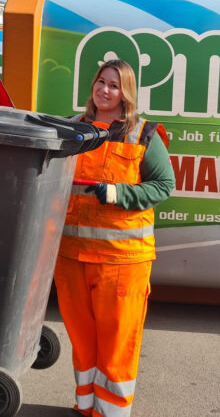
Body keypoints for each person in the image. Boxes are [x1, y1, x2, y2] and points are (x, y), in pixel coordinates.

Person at [55, 59, 175, 417]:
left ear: (126, 94)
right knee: (82, 340)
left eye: (115, 85)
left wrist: (117, 194)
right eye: (101, 82)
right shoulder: (71, 127)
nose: (105, 90)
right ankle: (86, 406)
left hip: (121, 260)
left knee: (117, 344)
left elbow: (163, 185)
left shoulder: (143, 134)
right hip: (72, 257)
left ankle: (112, 414)